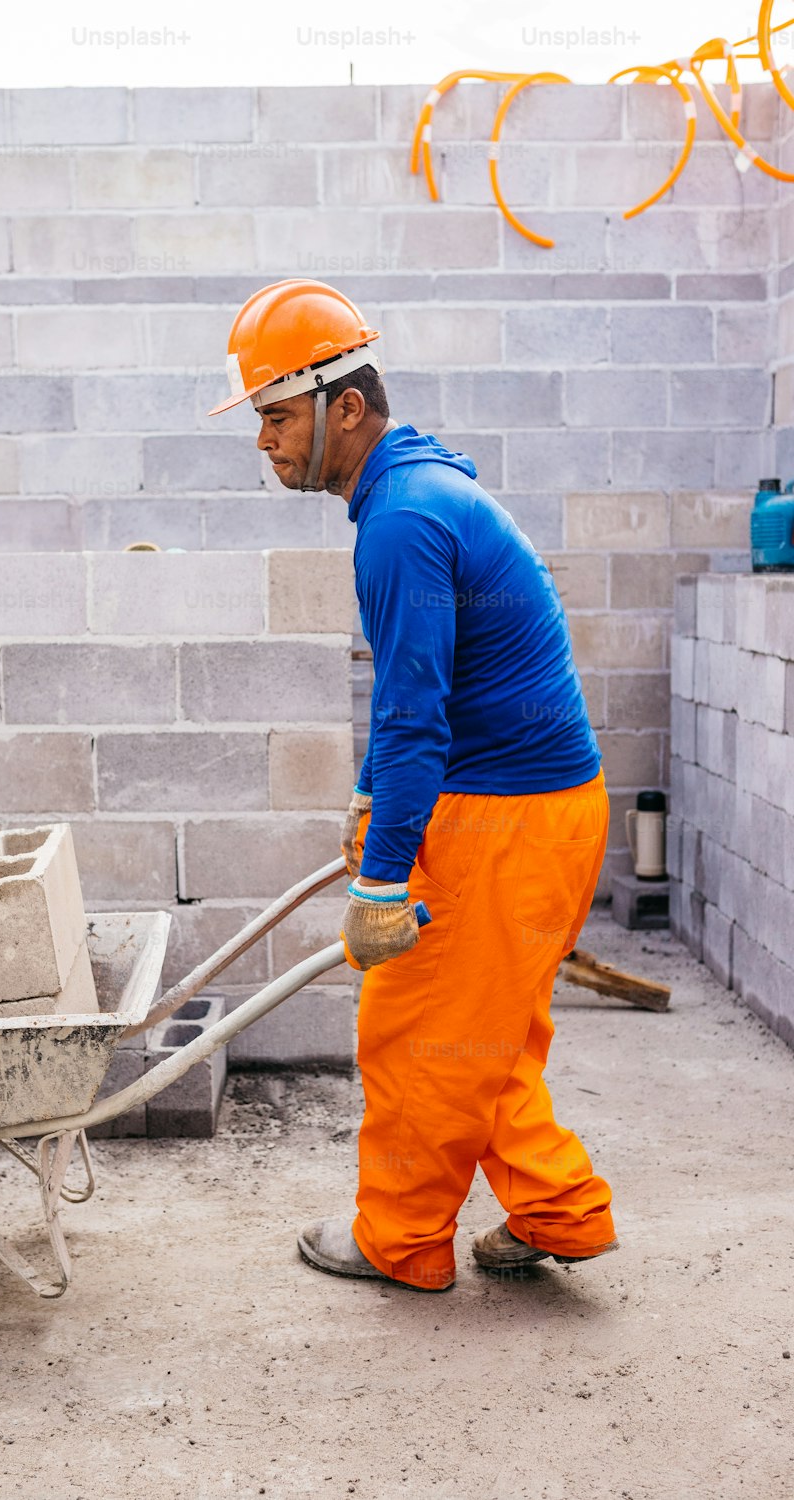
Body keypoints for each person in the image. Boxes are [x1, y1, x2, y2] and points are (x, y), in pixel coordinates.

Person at [208, 278, 618, 1293]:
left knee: (416, 1037)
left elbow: (413, 714)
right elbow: (414, 684)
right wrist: (367, 798)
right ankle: (556, 1213)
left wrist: (383, 879)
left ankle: (398, 1243)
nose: (263, 441)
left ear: (344, 406)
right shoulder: (421, 488)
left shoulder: (399, 521)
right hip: (544, 808)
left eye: (274, 415)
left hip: (501, 817)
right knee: (484, 1036)